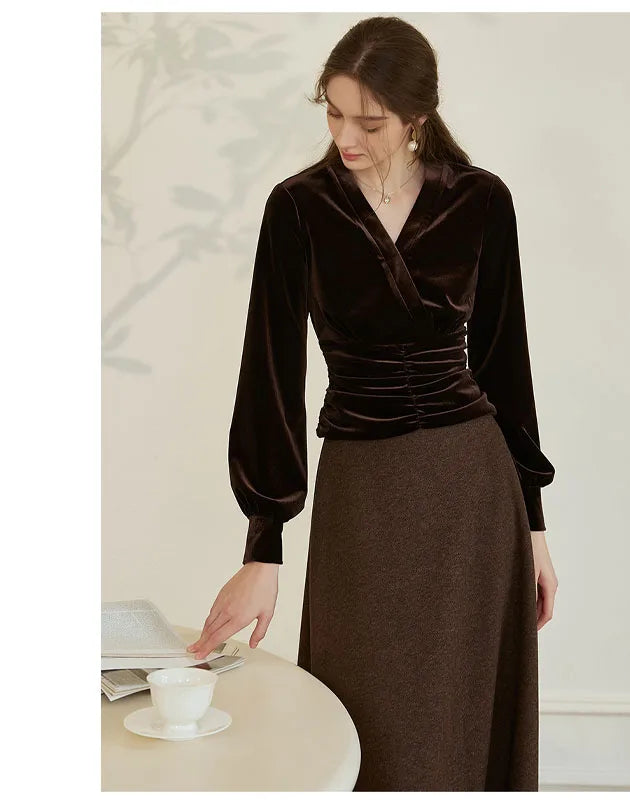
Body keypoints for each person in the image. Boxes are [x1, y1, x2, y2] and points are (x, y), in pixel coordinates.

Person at [187, 16, 558, 792]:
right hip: (363, 492)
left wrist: (534, 526)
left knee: (460, 716)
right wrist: (263, 546)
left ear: (416, 117)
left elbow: (505, 367)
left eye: (369, 120)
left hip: (471, 491)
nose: (345, 135)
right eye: (331, 111)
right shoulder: (300, 208)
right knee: (365, 720)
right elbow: (270, 378)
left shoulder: (482, 201)